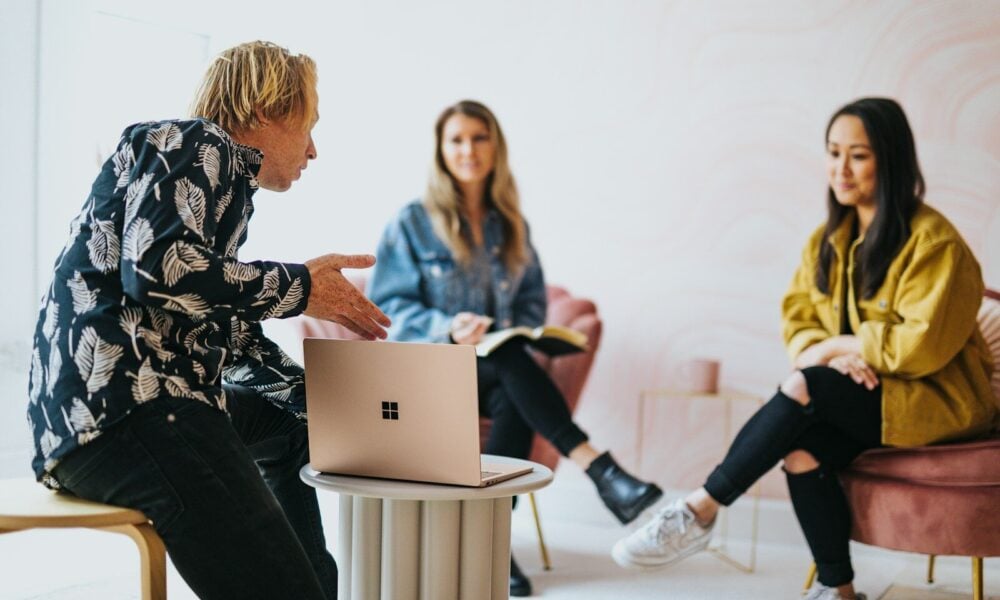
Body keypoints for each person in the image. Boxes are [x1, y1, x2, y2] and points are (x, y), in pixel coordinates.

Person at [26, 41, 391, 600]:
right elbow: (157, 271)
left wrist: (331, 409)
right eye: (309, 125)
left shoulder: (205, 180)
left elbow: (226, 330)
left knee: (288, 431)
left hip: (106, 416)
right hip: (131, 410)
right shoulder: (197, 143)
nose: (313, 150)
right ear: (267, 109)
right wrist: (300, 287)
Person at [611, 97, 997, 600]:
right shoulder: (827, 240)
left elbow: (918, 348)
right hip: (868, 396)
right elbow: (798, 318)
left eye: (858, 155)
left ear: (891, 159)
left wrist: (835, 347)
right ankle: (840, 591)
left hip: (937, 402)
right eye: (833, 152)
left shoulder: (933, 243)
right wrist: (825, 351)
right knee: (800, 448)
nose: (841, 168)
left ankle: (699, 510)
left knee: (806, 386)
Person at [367, 99, 663, 596]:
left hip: (492, 375)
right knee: (509, 364)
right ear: (441, 150)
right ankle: (599, 469)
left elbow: (529, 307)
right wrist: (449, 328)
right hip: (433, 373)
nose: (468, 150)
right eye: (456, 139)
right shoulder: (413, 222)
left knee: (509, 369)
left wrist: (517, 330)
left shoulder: (512, 226)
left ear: (495, 147)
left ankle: (490, 541)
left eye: (479, 138)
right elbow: (389, 308)